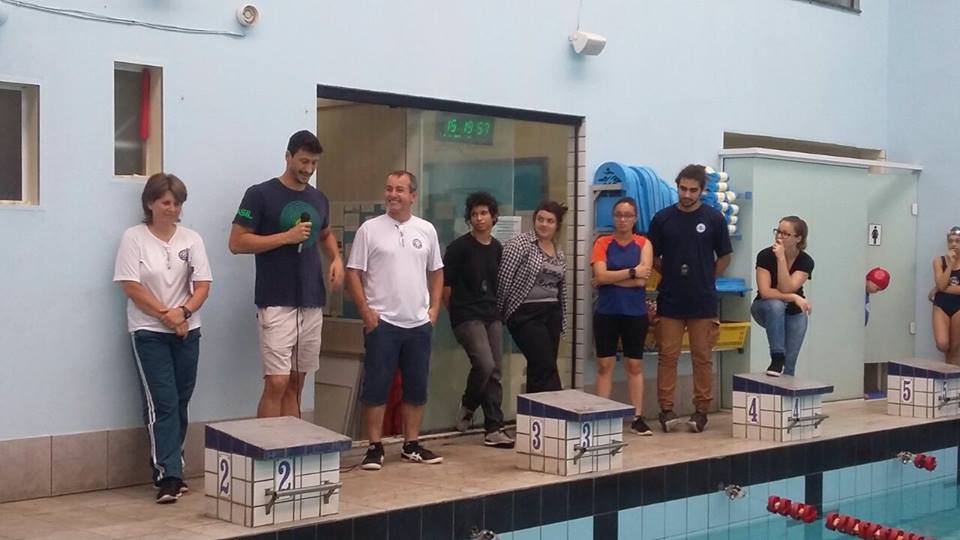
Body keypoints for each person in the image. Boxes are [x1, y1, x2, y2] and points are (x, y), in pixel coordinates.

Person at [228, 130, 343, 418]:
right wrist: (286, 237)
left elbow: (325, 234)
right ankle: (265, 443)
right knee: (277, 382)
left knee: (296, 382)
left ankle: (293, 443)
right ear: (288, 156)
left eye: (313, 163)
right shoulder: (259, 194)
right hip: (276, 299)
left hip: (311, 299)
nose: (308, 169)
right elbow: (237, 243)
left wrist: (336, 259)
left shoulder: (319, 198)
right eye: (303, 161)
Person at [114, 173, 212, 503]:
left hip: (187, 331)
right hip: (149, 332)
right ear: (150, 203)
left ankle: (174, 465)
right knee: (163, 403)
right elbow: (131, 285)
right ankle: (167, 475)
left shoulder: (191, 239)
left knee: (181, 400)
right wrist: (166, 316)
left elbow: (203, 285)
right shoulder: (134, 238)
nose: (172, 208)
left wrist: (183, 313)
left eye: (177, 203)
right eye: (166, 202)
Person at [346, 170, 444, 470]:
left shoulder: (426, 229)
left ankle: (411, 444)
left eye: (400, 190)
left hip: (418, 324)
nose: (392, 195)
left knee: (416, 387)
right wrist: (366, 312)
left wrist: (433, 311)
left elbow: (437, 271)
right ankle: (374, 447)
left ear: (413, 195)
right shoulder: (369, 229)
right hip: (383, 324)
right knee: (376, 387)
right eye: (389, 189)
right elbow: (353, 272)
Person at [647, 164, 732, 433]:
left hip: (702, 300)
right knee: (667, 355)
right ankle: (666, 409)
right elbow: (653, 256)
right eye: (682, 189)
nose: (686, 194)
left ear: (702, 190)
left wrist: (707, 276)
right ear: (677, 186)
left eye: (692, 190)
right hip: (670, 298)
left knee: (702, 356)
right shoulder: (662, 219)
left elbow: (725, 256)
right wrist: (670, 273)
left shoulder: (714, 218)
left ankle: (701, 411)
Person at [444, 192, 514, 448]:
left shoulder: (497, 248)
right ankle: (469, 403)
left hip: (491, 314)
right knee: (484, 364)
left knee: (495, 370)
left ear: (494, 217)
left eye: (484, 213)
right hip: (466, 315)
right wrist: (455, 314)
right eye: (474, 214)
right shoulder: (459, 248)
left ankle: (494, 428)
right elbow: (446, 286)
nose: (479, 218)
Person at [590, 197, 654, 435]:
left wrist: (609, 278)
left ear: (635, 218)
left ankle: (637, 417)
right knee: (604, 364)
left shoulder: (643, 243)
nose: (623, 219)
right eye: (618, 215)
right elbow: (600, 275)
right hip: (606, 311)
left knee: (634, 364)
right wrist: (631, 272)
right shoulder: (602, 242)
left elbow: (642, 281)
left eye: (628, 215)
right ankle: (601, 415)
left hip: (635, 313)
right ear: (613, 217)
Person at [497, 200, 569, 394]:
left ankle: (534, 410)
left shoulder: (558, 250)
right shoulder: (519, 244)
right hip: (525, 313)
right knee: (545, 364)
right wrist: (500, 314)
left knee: (540, 367)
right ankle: (556, 404)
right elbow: (504, 280)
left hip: (551, 312)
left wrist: (562, 318)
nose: (544, 224)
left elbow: (560, 287)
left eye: (550, 221)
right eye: (540, 219)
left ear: (557, 225)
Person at [750, 216, 814, 377]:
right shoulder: (765, 255)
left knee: (790, 364)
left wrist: (781, 259)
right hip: (765, 307)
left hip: (793, 311)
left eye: (785, 234)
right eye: (778, 231)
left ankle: (786, 383)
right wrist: (794, 297)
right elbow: (765, 292)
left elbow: (786, 287)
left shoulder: (805, 261)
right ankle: (777, 356)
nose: (779, 236)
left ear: (798, 238)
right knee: (776, 305)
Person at [930, 227, 960, 365]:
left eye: (957, 241)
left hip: (958, 306)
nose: (953, 244)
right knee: (942, 344)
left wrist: (939, 288)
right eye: (950, 241)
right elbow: (941, 285)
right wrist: (950, 265)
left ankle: (952, 375)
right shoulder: (939, 261)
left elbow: (942, 287)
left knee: (955, 348)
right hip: (941, 305)